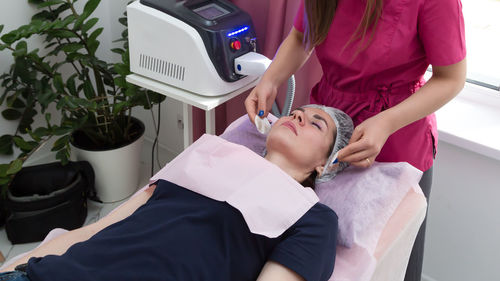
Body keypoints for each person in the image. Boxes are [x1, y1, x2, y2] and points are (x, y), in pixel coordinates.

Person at [0, 105, 353, 281]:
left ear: (326, 164)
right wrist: (21, 264)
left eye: (315, 123)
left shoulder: (312, 217)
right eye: (295, 112)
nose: (298, 117)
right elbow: (98, 229)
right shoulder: (209, 156)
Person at [245, 0, 466, 279]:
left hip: (396, 139)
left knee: (390, 262)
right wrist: (271, 78)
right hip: (329, 128)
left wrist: (386, 122)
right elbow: (302, 37)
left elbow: (452, 78)